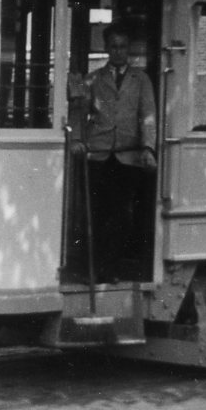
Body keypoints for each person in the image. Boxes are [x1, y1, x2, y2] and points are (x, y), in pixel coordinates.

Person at [73, 24, 158, 282]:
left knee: (122, 215)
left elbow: (148, 115)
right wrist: (78, 139)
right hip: (98, 155)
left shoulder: (140, 79)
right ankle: (93, 270)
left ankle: (110, 269)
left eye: (123, 46)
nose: (118, 51)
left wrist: (148, 148)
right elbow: (79, 112)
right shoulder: (93, 79)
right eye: (113, 46)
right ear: (107, 48)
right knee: (96, 214)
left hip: (128, 157)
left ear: (129, 49)